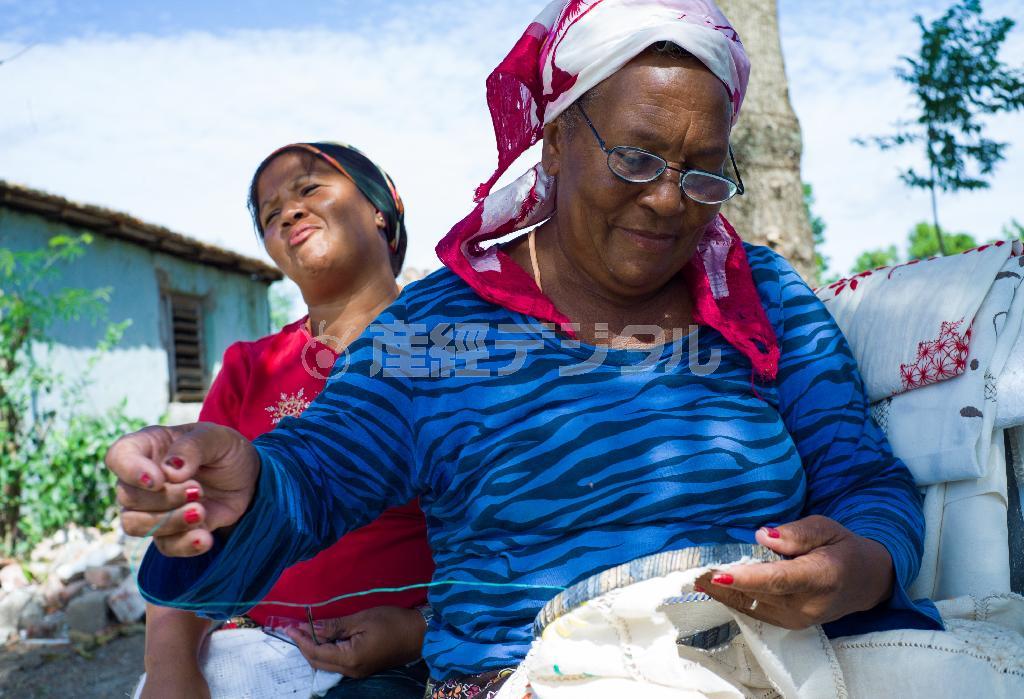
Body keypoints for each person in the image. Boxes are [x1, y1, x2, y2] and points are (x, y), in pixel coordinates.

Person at [108, 2, 941, 696]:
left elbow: (865, 481)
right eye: (638, 155)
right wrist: (247, 491)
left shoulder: (763, 298)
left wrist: (860, 565)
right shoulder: (432, 334)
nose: (668, 201)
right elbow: (316, 478)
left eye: (704, 172)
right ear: (554, 137)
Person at [138, 142, 435, 699]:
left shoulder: (450, 347)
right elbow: (192, 533)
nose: (289, 213)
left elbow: (511, 531)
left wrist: (418, 628)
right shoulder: (250, 367)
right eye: (271, 215)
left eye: (309, 189)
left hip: (401, 661)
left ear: (382, 208)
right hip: (253, 651)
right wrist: (170, 668)